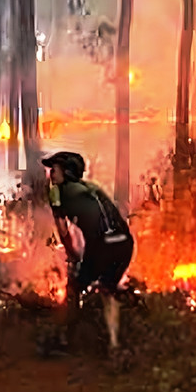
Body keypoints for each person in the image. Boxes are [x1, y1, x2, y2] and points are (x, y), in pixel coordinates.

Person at [42, 151, 134, 356]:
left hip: (102, 245)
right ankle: (114, 344)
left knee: (74, 287)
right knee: (108, 290)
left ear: (67, 172)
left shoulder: (57, 191)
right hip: (125, 243)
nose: (50, 175)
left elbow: (63, 230)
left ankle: (65, 339)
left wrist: (72, 254)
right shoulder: (93, 187)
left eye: (54, 170)